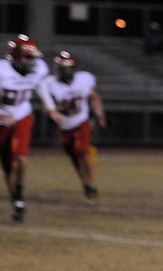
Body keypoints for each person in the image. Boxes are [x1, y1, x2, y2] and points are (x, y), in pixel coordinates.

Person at [0, 34, 64, 223]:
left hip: (23, 116)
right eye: (28, 57)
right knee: (8, 168)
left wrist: (51, 108)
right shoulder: (0, 71)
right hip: (2, 122)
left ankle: (19, 193)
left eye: (33, 58)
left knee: (21, 158)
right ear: (16, 57)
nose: (32, 62)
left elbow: (40, 87)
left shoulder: (38, 69)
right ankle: (16, 201)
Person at [42, 51, 106, 201]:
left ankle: (91, 183)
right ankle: (86, 184)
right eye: (63, 68)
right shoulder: (50, 84)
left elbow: (94, 97)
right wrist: (55, 112)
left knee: (82, 151)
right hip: (64, 126)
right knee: (75, 158)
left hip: (81, 122)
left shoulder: (83, 79)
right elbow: (48, 108)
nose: (66, 71)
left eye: (69, 68)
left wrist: (99, 115)